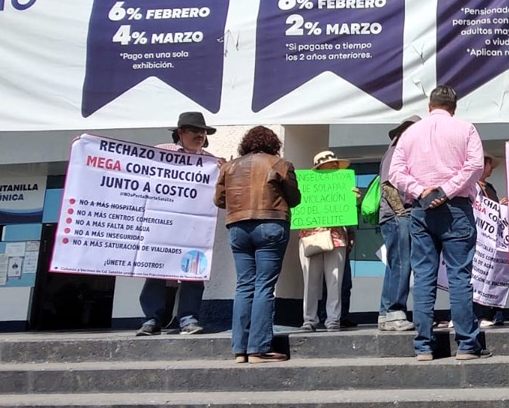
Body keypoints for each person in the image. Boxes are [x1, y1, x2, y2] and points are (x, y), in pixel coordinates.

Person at [389, 86, 490, 361]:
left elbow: (395, 172)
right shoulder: (466, 129)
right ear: (453, 107)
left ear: (430, 106)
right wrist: (445, 191)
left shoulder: (410, 133)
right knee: (459, 277)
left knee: (423, 277)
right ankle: (467, 345)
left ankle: (424, 347)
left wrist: (421, 190)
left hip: (421, 209)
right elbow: (474, 166)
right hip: (455, 207)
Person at [214, 126, 301, 364]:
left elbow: (219, 200)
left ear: (245, 144)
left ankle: (240, 350)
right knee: (264, 285)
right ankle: (259, 349)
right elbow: (295, 198)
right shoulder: (280, 164)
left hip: (238, 227)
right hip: (271, 225)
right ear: (273, 144)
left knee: (244, 285)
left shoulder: (229, 167)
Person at [137, 112, 218, 337]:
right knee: (155, 271)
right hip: (163, 224)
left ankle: (188, 319)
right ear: (180, 132)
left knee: (194, 271)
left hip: (194, 227)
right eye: (195, 131)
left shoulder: (211, 161)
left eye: (203, 132)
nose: (201, 135)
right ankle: (151, 320)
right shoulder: (160, 153)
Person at [297, 151, 351, 332]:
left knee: (335, 280)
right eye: (331, 164)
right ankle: (309, 319)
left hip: (336, 238)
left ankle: (333, 319)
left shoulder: (344, 186)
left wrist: (351, 202)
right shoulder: (306, 186)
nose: (335, 166)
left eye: (336, 164)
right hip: (310, 237)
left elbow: (349, 216)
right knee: (310, 280)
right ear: (320, 167)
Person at [377, 117, 420, 332]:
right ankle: (395, 312)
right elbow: (387, 185)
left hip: (393, 216)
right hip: (397, 216)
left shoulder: (394, 150)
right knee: (402, 264)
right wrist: (402, 212)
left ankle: (386, 313)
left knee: (396, 265)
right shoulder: (396, 151)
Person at [476, 154, 506, 328]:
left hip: (494, 239)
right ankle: (481, 312)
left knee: (498, 272)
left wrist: (501, 205)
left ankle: (496, 311)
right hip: (480, 239)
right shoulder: (472, 187)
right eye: (489, 164)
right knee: (481, 274)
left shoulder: (490, 187)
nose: (491, 169)